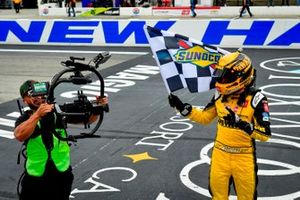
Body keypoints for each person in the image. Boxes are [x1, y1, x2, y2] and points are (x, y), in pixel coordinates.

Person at [168, 50, 271, 199]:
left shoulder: (257, 99)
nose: (221, 80)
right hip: (220, 155)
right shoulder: (219, 95)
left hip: (244, 158)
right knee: (217, 196)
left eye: (226, 76)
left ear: (240, 77)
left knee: (247, 197)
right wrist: (182, 108)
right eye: (221, 75)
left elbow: (265, 134)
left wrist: (243, 125)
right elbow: (205, 117)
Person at [15, 80, 108, 200]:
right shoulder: (25, 119)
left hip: (61, 174)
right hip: (35, 176)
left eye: (41, 93)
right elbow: (19, 135)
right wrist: (37, 115)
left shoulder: (58, 112)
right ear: (25, 100)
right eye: (33, 94)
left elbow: (88, 120)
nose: (39, 97)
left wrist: (97, 107)